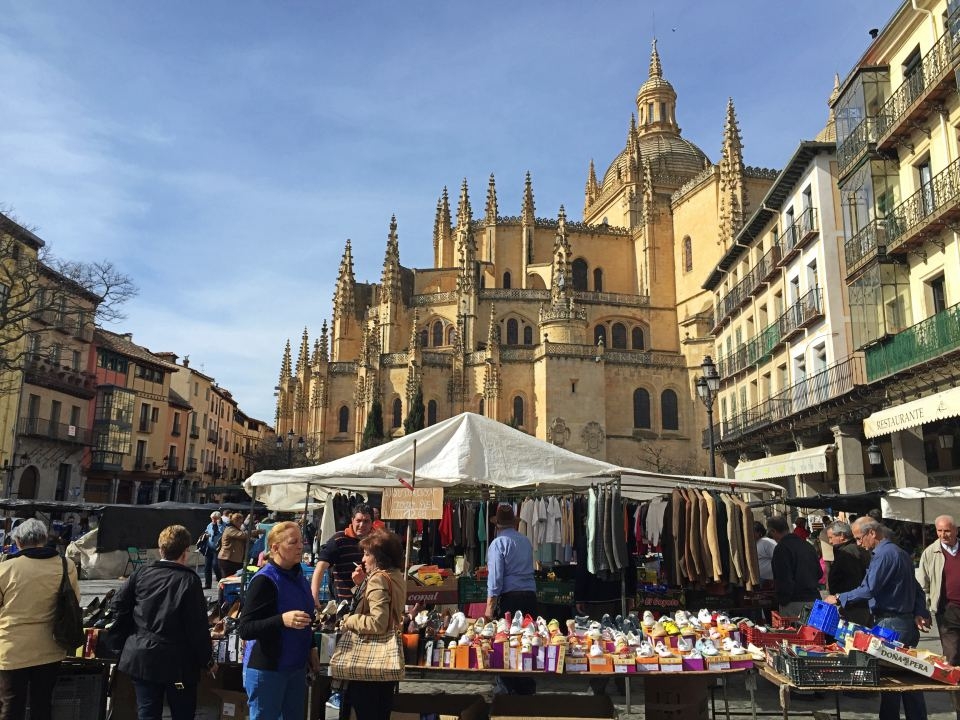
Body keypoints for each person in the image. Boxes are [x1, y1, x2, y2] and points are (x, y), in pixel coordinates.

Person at [825, 517, 930, 720]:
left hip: (891, 622)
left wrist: (839, 598)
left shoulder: (883, 555)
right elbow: (916, 588)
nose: (858, 543)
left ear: (872, 533)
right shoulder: (900, 553)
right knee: (907, 679)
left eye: (858, 538)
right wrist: (919, 611)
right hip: (903, 622)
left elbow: (869, 589)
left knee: (892, 682)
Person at [111, 525, 211, 720]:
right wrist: (207, 659)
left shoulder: (141, 573)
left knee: (147, 712)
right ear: (186, 552)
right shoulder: (189, 580)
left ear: (160, 549)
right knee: (182, 713)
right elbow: (197, 626)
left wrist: (124, 639)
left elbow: (117, 605)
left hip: (142, 655)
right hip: (177, 662)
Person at [239, 522, 319, 720]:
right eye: (293, 542)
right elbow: (246, 629)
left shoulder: (298, 574)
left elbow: (306, 617)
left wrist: (312, 647)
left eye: (301, 541)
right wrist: (282, 620)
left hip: (296, 667)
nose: (301, 546)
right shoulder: (264, 580)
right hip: (268, 669)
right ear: (275, 548)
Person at [0, 518, 79, 720]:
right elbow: (74, 602)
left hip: (12, 649)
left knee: (11, 703)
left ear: (18, 542)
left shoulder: (6, 569)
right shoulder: (65, 565)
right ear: (44, 539)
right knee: (42, 702)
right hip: (50, 647)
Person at [338, 529, 406, 720]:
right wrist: (360, 585)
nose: (363, 559)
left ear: (379, 558)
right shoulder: (395, 576)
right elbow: (375, 604)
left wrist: (349, 620)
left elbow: (378, 622)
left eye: (367, 554)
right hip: (385, 662)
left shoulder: (378, 579)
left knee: (365, 711)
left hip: (369, 663)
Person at [312, 504, 374, 712]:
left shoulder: (376, 542)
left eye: (366, 521)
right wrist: (314, 596)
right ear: (352, 520)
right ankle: (338, 693)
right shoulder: (339, 539)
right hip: (345, 609)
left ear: (372, 523)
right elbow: (320, 566)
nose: (361, 525)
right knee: (343, 652)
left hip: (370, 610)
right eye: (358, 520)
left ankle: (356, 694)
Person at [485, 503, 537, 696]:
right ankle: (526, 687)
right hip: (529, 596)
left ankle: (507, 690)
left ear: (497, 525)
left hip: (510, 598)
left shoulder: (498, 543)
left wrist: (489, 606)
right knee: (527, 641)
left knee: (506, 642)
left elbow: (495, 578)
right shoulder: (525, 541)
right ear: (513, 523)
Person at [918, 514, 960, 666]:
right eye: (939, 530)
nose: (943, 535)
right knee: (952, 654)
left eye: (947, 531)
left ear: (956, 530)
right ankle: (954, 689)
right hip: (947, 609)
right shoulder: (930, 553)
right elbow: (923, 585)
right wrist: (923, 611)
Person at [767, 515, 820, 618]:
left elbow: (784, 578)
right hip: (813, 600)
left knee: (798, 633)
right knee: (813, 632)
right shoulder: (807, 545)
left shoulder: (781, 548)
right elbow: (819, 573)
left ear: (773, 531)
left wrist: (782, 599)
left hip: (794, 602)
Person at [825, 520, 871, 626]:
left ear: (841, 535)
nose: (830, 541)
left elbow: (854, 580)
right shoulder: (851, 550)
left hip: (853, 606)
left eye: (831, 537)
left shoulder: (847, 553)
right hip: (854, 604)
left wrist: (840, 598)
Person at [218, 512, 252, 579]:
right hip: (227, 559)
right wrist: (256, 532)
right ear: (235, 521)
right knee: (227, 580)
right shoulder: (230, 529)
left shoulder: (235, 529)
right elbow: (242, 535)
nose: (241, 524)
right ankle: (222, 590)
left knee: (233, 580)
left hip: (234, 560)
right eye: (240, 522)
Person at [202, 511, 225, 589]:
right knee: (207, 566)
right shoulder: (210, 525)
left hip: (217, 549)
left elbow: (222, 532)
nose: (213, 520)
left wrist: (218, 524)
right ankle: (207, 584)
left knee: (215, 565)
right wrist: (206, 535)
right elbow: (207, 531)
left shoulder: (223, 525)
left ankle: (220, 581)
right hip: (209, 548)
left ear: (219, 518)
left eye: (215, 519)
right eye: (212, 519)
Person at [754, 521, 777, 588]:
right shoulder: (753, 544)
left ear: (759, 532)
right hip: (759, 579)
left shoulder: (766, 542)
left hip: (768, 581)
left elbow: (779, 558)